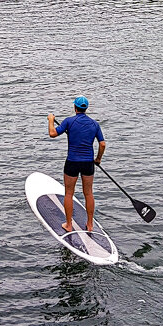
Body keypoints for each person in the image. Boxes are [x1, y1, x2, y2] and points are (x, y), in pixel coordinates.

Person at [47, 96, 106, 234]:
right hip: (88, 163)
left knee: (69, 193)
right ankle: (90, 224)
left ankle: (68, 224)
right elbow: (102, 144)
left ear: (75, 107)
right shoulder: (94, 124)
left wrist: (51, 120)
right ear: (86, 108)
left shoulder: (69, 121)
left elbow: (52, 133)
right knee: (88, 193)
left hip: (72, 162)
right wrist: (98, 159)